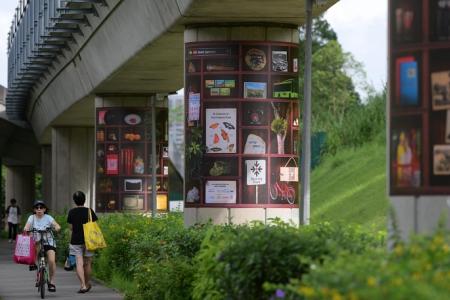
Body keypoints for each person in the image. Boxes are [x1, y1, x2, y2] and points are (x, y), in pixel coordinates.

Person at [23, 200, 61, 293]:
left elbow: (57, 225)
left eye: (41, 207)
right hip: (37, 241)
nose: (39, 209)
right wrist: (26, 229)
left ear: (44, 209)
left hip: (49, 241)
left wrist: (56, 228)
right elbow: (26, 226)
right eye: (37, 208)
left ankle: (51, 282)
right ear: (34, 210)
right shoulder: (32, 217)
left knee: (51, 261)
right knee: (37, 244)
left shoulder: (48, 217)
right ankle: (33, 263)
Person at [67, 191, 98, 294]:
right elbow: (94, 226)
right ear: (84, 200)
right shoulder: (89, 211)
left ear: (74, 201)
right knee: (88, 263)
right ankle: (88, 283)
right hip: (89, 240)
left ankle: (83, 285)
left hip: (76, 240)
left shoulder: (71, 212)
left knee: (79, 263)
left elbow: (71, 228)